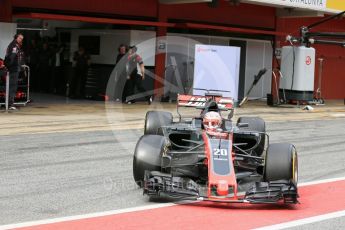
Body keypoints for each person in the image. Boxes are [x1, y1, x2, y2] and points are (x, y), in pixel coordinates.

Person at [4, 33, 25, 110]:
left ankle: (10, 103)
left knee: (13, 86)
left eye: (22, 39)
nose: (21, 40)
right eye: (20, 38)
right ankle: (10, 104)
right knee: (12, 86)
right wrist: (9, 67)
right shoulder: (14, 46)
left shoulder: (15, 45)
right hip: (13, 69)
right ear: (16, 37)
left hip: (14, 68)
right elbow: (12, 58)